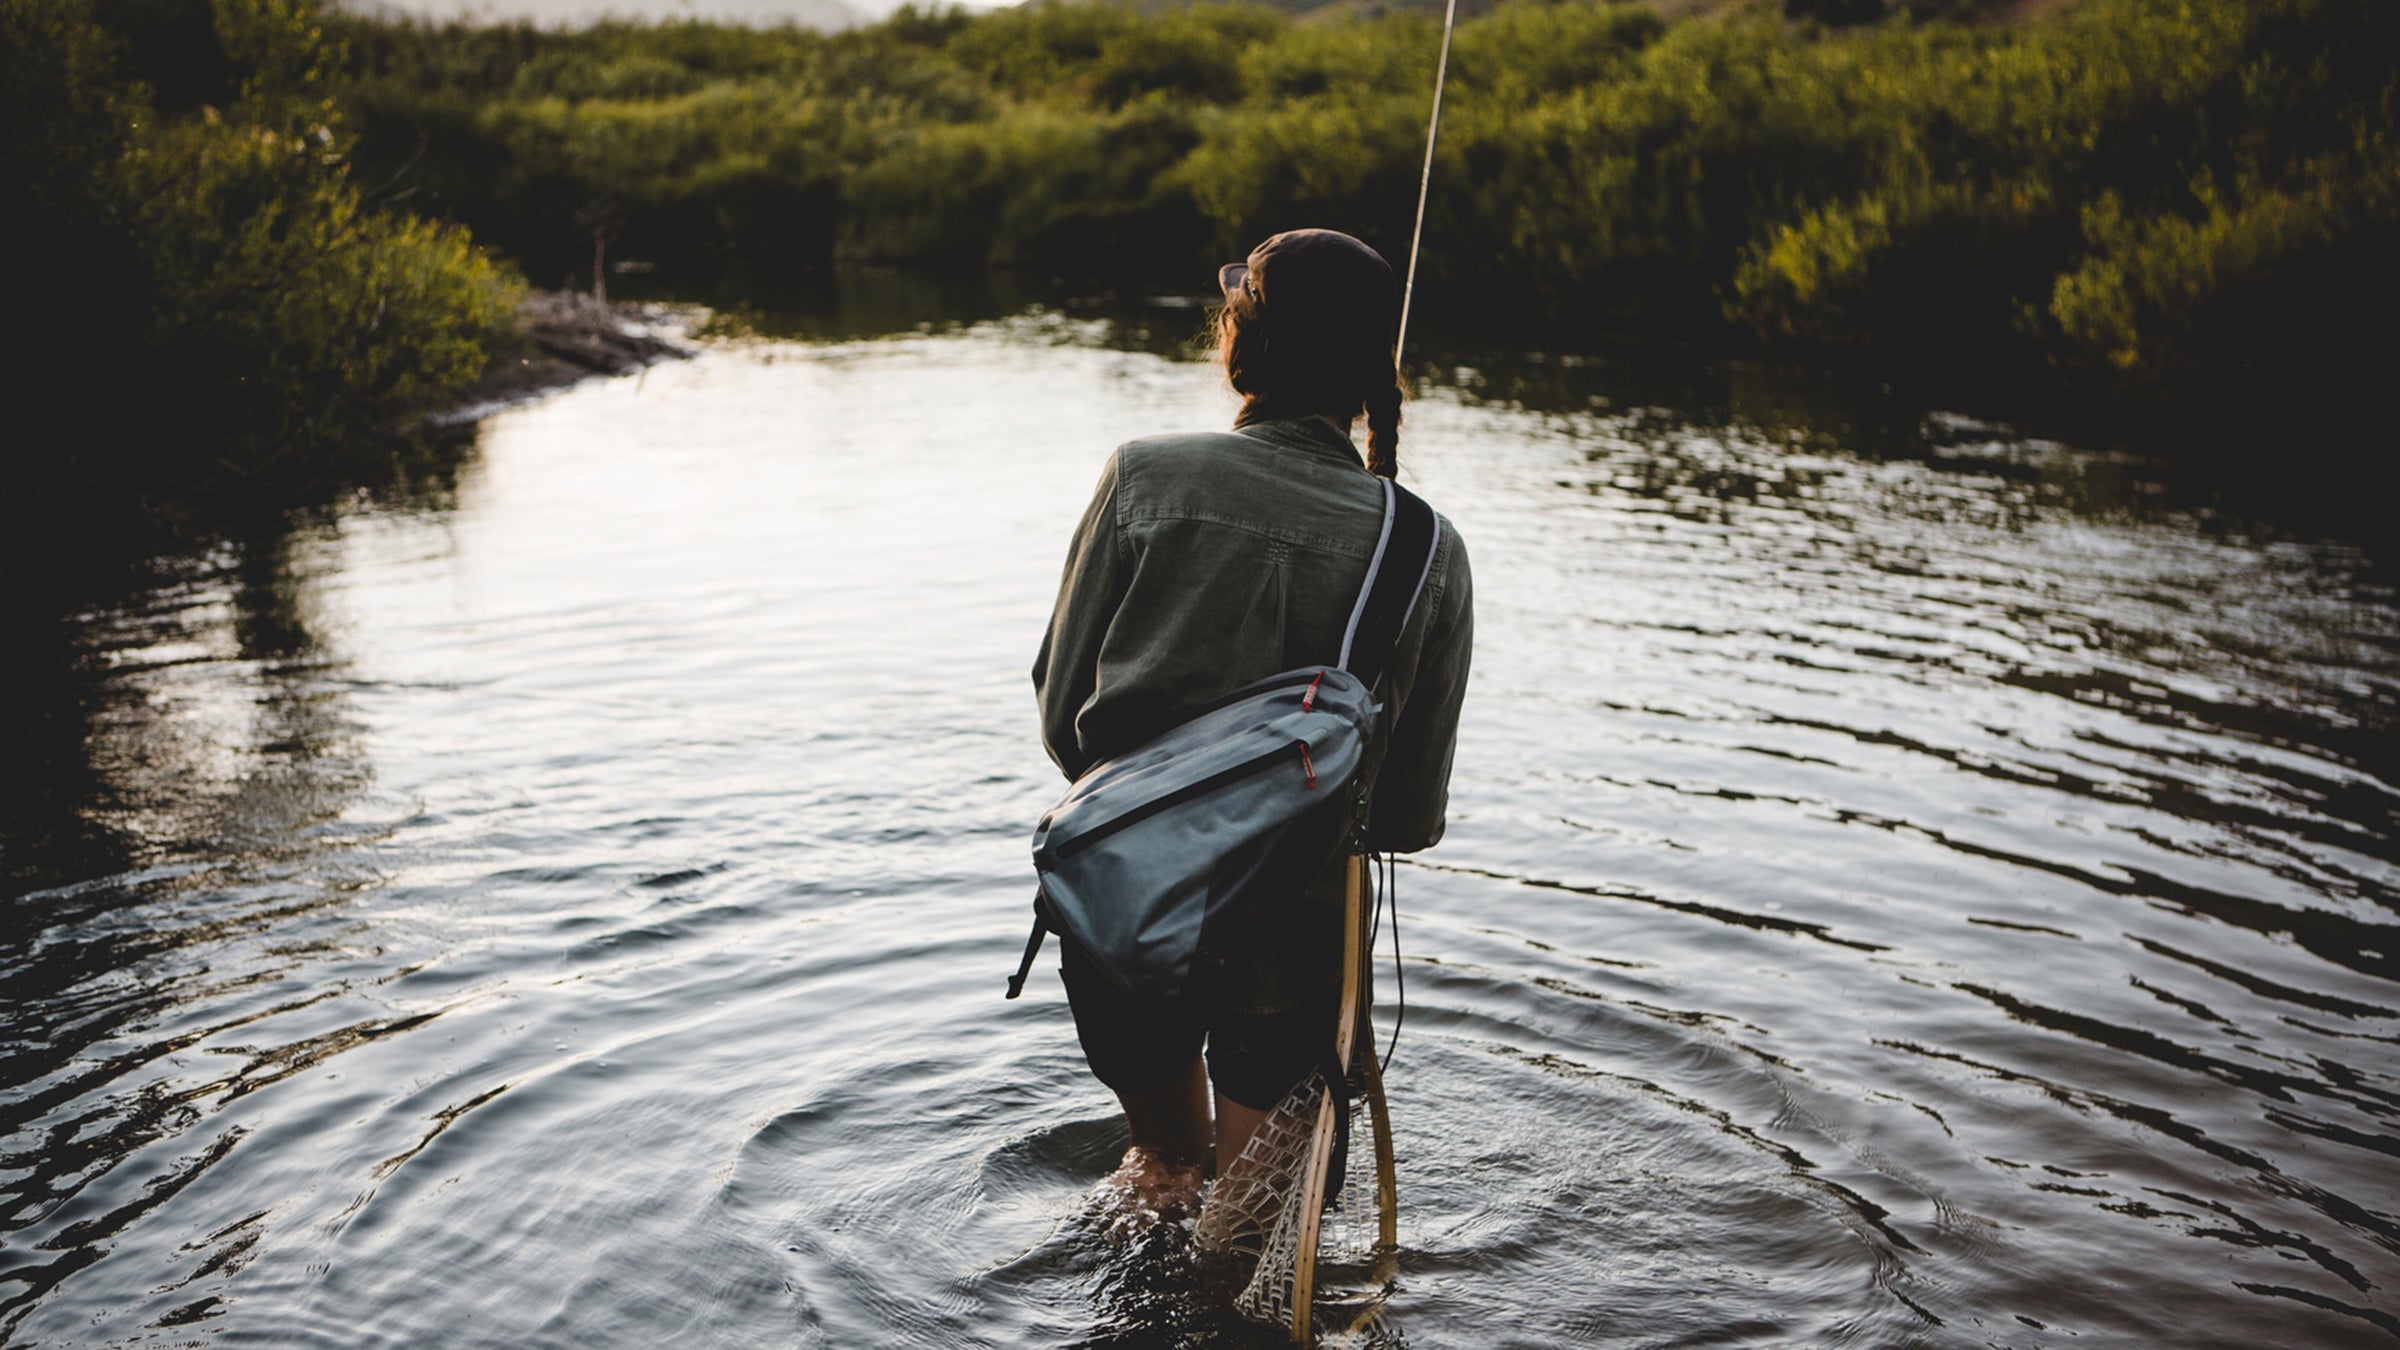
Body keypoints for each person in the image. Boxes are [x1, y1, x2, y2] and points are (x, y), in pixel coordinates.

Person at [1032, 228, 1474, 1226]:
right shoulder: (1427, 548)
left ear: (1242, 346)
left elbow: (1066, 717)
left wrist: (1174, 804)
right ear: (1373, 372)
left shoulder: (1142, 477)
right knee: (1249, 1241)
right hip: (1299, 939)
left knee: (1158, 1173)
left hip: (1123, 910)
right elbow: (1403, 817)